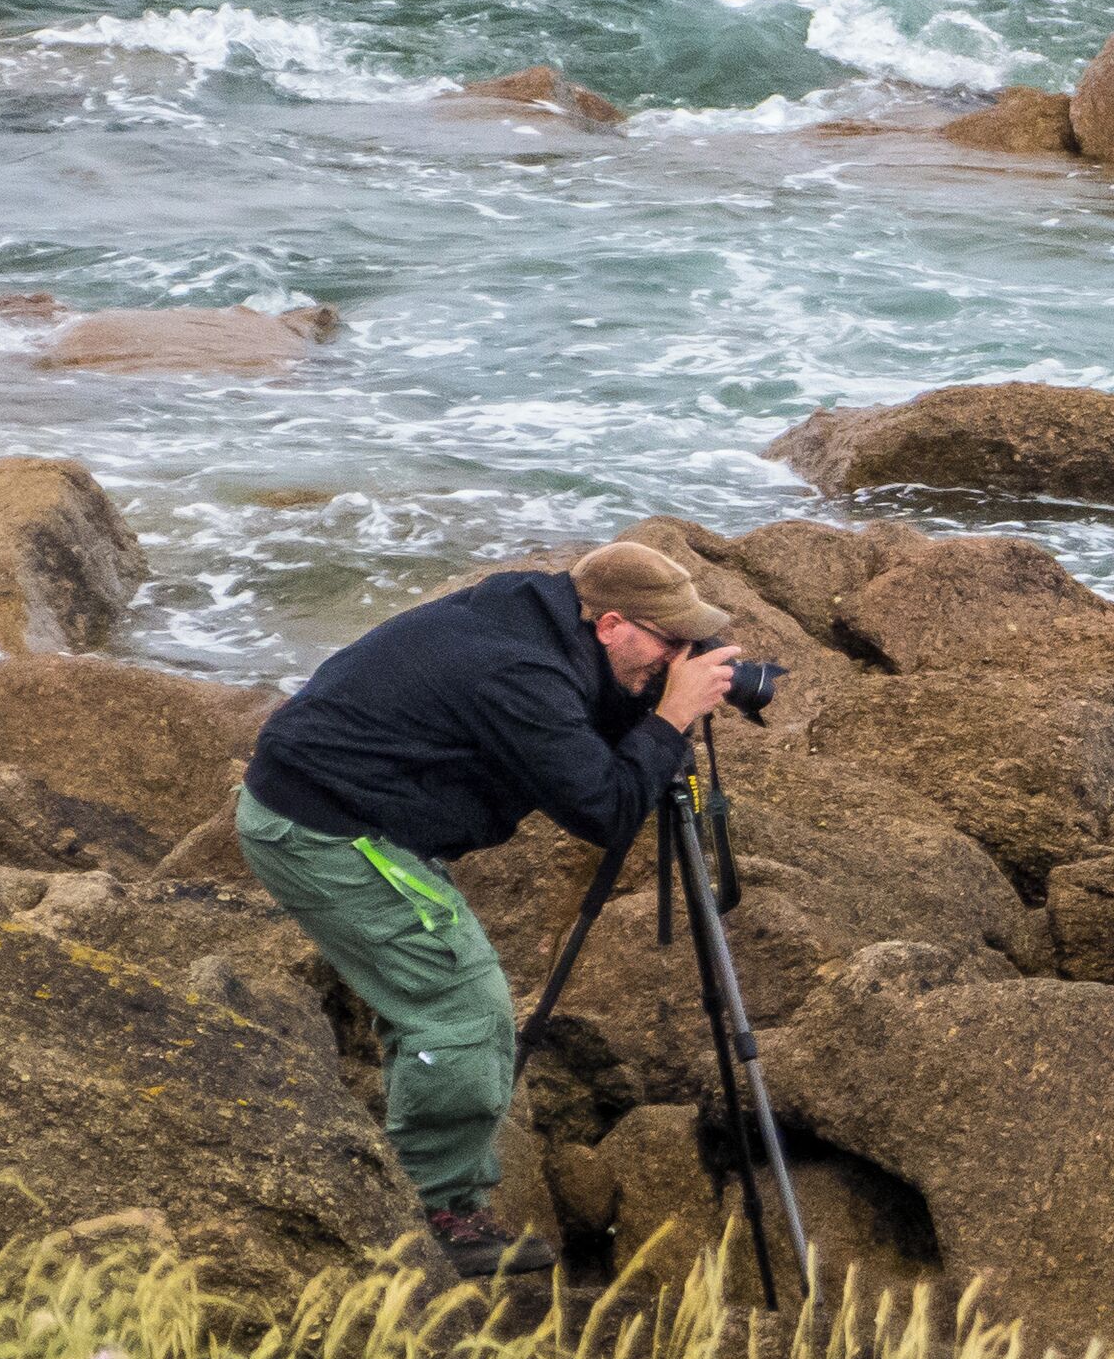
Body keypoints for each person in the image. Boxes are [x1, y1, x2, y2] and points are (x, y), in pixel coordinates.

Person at [236, 541, 746, 1276]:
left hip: (346, 807)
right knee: (464, 1007)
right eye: (668, 642)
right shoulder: (519, 672)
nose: (675, 659)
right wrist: (667, 721)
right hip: (325, 829)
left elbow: (580, 725)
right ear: (608, 624)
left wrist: (653, 706)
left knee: (433, 996)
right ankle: (431, 1218)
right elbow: (604, 807)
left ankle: (415, 1179)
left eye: (689, 645)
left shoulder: (536, 614)